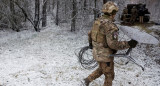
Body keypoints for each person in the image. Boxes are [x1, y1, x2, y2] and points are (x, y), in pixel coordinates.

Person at [83, 1, 138, 86]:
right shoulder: (110, 26)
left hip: (96, 52)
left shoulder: (98, 21)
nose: (115, 14)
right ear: (112, 13)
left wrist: (91, 44)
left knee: (102, 69)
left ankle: (87, 80)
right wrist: (129, 44)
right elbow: (113, 44)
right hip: (105, 56)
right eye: (115, 12)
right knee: (109, 75)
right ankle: (87, 80)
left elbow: (90, 33)